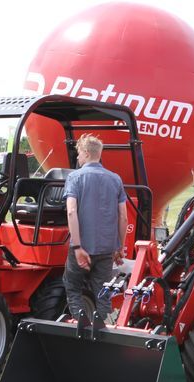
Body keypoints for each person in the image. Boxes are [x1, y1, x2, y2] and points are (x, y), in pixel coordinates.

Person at [63, 133, 127, 320]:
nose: (77, 157)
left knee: (72, 286)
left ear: (85, 153)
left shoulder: (75, 177)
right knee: (103, 293)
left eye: (79, 154)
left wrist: (77, 247)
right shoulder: (115, 179)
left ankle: (80, 323)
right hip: (107, 249)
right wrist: (119, 247)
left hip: (82, 248)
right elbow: (123, 217)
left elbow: (71, 212)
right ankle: (103, 331)